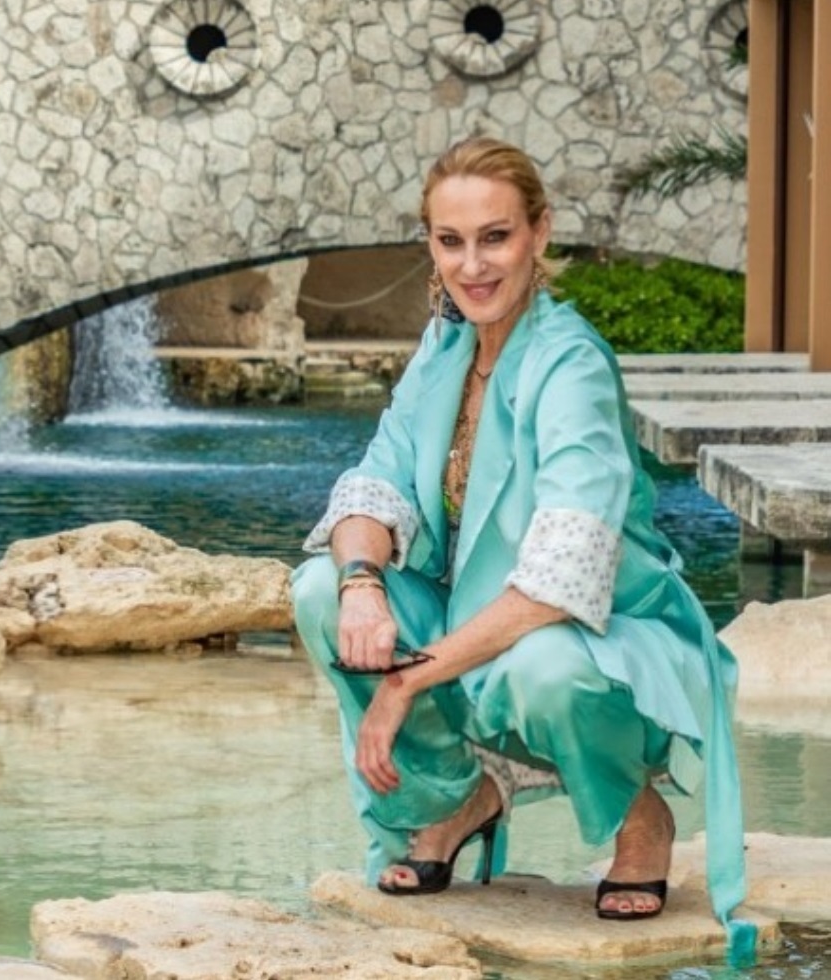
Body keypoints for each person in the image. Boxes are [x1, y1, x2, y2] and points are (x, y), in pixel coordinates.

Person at [291, 136, 754, 958]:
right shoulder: (445, 347)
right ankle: (460, 794)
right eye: (451, 241)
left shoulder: (570, 365)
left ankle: (638, 813)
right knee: (320, 590)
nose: (472, 266)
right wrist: (362, 581)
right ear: (431, 245)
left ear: (539, 233)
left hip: (599, 633)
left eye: (495, 237)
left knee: (546, 671)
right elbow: (372, 486)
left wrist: (405, 681)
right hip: (478, 623)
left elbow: (558, 583)